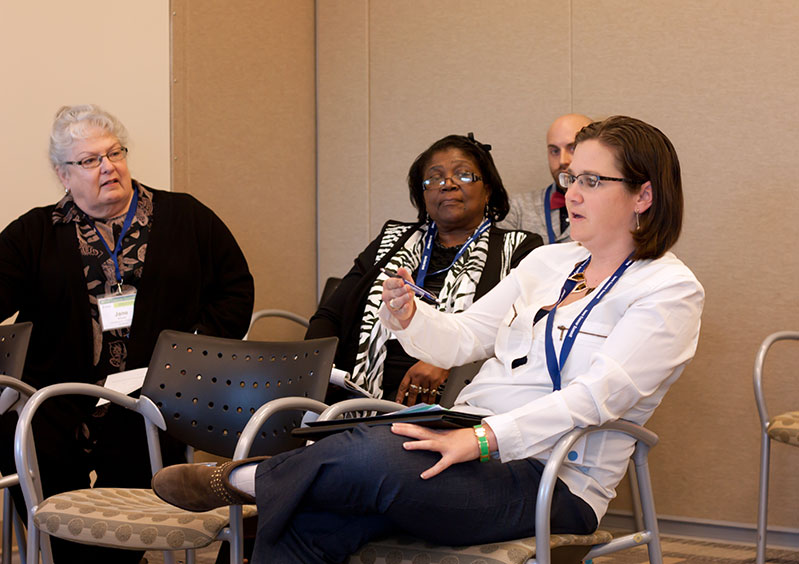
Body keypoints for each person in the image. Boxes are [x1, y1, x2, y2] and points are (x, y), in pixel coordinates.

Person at [151, 116, 704, 564]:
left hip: (551, 475)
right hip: (463, 438)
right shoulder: (549, 262)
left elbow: (594, 398)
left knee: (370, 456)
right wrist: (412, 316)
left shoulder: (668, 292)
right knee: (317, 512)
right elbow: (463, 338)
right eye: (570, 177)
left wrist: (484, 439)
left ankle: (247, 479)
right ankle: (284, 490)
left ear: (642, 195)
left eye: (590, 180)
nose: (570, 192)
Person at [0, 104, 255, 563]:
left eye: (114, 153)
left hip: (149, 402)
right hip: (57, 401)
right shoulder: (33, 233)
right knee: (49, 498)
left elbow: (235, 289)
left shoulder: (186, 217)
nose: (108, 167)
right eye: (90, 160)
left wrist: (188, 357)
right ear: (63, 174)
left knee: (130, 524)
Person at [305, 133, 541, 405]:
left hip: (455, 398)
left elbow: (521, 333)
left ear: (487, 190)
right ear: (423, 194)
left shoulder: (518, 249)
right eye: (435, 178)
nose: (448, 184)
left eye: (463, 175)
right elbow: (330, 316)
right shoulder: (391, 240)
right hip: (361, 392)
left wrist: (447, 360)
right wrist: (316, 371)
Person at [500, 113, 593, 243]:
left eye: (572, 148)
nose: (562, 161)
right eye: (555, 151)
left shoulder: (609, 206)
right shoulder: (517, 208)